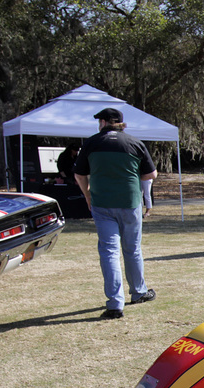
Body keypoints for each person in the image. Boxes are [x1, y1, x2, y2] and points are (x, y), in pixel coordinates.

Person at [73, 107, 158, 320]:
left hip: (102, 203)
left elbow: (79, 174)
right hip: (130, 202)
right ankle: (138, 292)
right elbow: (151, 173)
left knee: (109, 252)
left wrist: (87, 195)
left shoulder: (91, 143)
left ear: (103, 122)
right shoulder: (134, 143)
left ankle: (115, 303)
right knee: (132, 249)